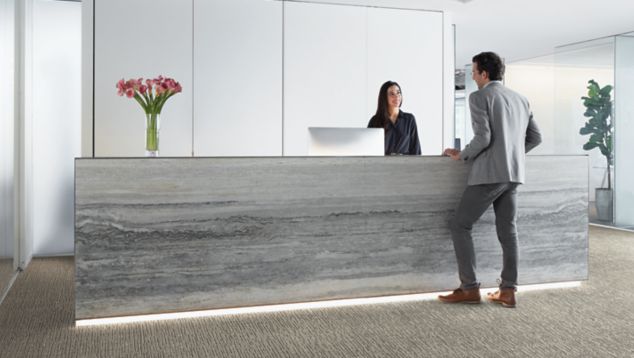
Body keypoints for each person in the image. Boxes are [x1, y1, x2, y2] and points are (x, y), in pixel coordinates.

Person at [439, 52, 542, 308]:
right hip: (514, 174)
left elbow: (483, 138)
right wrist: (511, 154)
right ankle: (508, 291)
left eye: (474, 72)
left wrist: (462, 156)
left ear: (484, 74)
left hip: (489, 174)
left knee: (460, 225)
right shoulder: (521, 99)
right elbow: (535, 138)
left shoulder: (479, 96)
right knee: (508, 231)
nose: (472, 77)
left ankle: (470, 288)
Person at [368, 81, 421, 155]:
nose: (396, 96)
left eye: (398, 92)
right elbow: (369, 150)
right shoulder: (375, 121)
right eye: (392, 94)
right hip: (383, 164)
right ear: (384, 97)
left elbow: (416, 149)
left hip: (405, 165)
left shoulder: (409, 119)